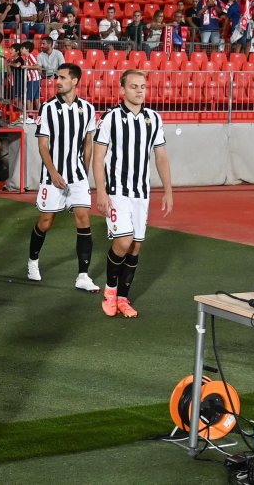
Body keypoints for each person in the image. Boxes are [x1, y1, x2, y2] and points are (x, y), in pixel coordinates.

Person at [92, 70, 174, 319]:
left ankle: (124, 299)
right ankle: (110, 292)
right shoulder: (109, 119)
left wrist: (168, 190)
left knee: (136, 247)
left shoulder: (154, 119)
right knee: (124, 242)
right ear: (122, 90)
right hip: (116, 191)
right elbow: (98, 158)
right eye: (134, 86)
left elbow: (160, 156)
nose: (139, 91)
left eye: (143, 86)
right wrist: (101, 191)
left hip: (141, 193)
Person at [30, 63, 99, 292]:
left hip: (77, 175)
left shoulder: (88, 109)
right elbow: (42, 145)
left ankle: (83, 276)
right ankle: (33, 261)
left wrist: (84, 172)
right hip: (53, 176)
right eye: (56, 77)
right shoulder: (47, 108)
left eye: (61, 77)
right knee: (46, 222)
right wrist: (53, 172)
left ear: (74, 81)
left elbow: (88, 143)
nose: (57, 81)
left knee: (83, 219)